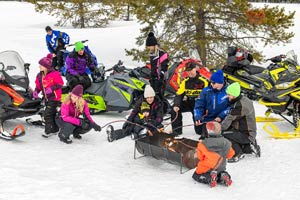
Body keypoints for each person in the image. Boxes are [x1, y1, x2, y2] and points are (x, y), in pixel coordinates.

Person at [221, 82, 260, 162]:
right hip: (247, 131)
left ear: (234, 95)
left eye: (229, 94)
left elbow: (228, 120)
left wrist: (217, 129)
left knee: (223, 133)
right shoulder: (243, 100)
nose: (227, 96)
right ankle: (248, 147)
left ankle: (238, 153)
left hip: (246, 134)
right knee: (229, 131)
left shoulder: (240, 106)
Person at [192, 121, 235, 187]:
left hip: (206, 168)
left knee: (196, 175)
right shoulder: (227, 142)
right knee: (220, 172)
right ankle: (223, 175)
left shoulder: (202, 144)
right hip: (221, 167)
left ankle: (209, 178)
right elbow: (230, 155)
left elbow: (200, 157)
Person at [171, 62, 208, 136]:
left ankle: (204, 131)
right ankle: (176, 131)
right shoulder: (185, 81)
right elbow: (179, 94)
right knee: (174, 110)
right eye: (187, 71)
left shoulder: (203, 81)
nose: (189, 72)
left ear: (195, 69)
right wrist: (176, 105)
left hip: (199, 105)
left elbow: (209, 95)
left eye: (191, 70)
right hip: (189, 102)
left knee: (199, 131)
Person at [33, 54, 64, 138]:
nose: (39, 66)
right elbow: (38, 86)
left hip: (54, 97)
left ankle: (49, 131)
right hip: (46, 97)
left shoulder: (55, 74)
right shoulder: (39, 75)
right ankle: (55, 129)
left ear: (46, 66)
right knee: (52, 113)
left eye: (41, 65)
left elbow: (60, 84)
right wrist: (36, 91)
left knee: (47, 114)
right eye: (39, 65)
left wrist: (51, 88)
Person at [194, 70, 230, 138]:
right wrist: (198, 117)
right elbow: (198, 106)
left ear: (220, 82)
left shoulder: (228, 91)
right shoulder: (206, 91)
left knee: (218, 135)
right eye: (211, 82)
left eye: (213, 83)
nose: (211, 84)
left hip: (222, 119)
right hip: (208, 119)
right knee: (199, 131)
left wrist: (221, 116)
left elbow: (231, 107)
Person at [145, 32, 169, 100]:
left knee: (159, 98)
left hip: (160, 80)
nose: (148, 48)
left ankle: (162, 109)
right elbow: (153, 67)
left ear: (154, 45)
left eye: (149, 46)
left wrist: (161, 76)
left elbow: (164, 66)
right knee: (153, 98)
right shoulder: (152, 54)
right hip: (153, 79)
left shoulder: (162, 54)